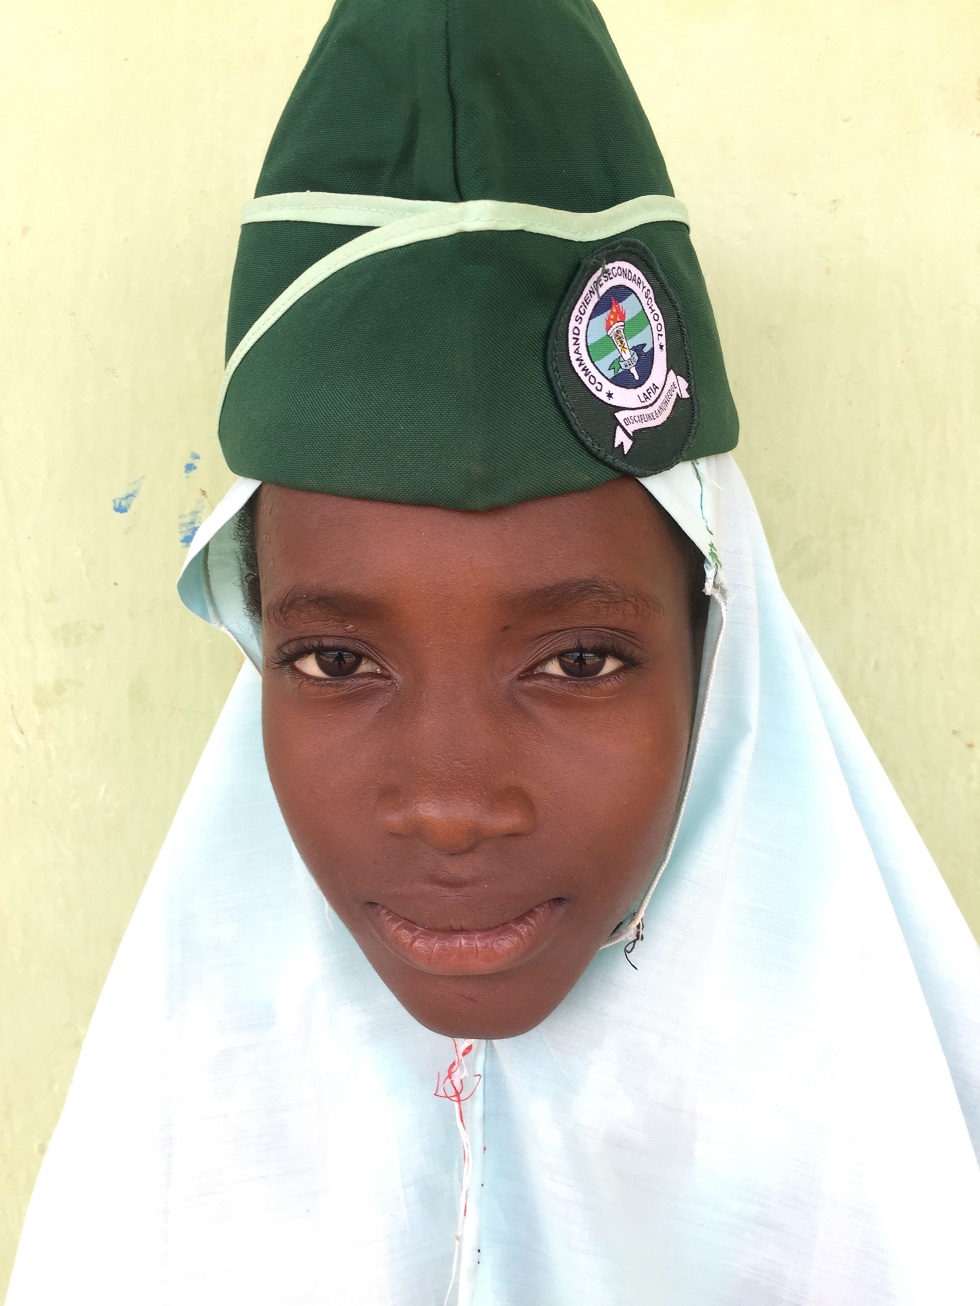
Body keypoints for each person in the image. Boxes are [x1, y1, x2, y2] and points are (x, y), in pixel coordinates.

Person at [8, 0, 979, 1302]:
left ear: (720, 652)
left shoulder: (900, 1220)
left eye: (578, 661)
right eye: (336, 662)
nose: (452, 804)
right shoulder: (154, 1216)